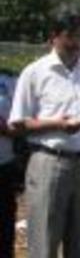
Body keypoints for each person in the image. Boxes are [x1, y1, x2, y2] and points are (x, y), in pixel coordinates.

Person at [9, 7, 80, 258]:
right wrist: (56, 125)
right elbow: (18, 123)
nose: (76, 42)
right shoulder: (35, 72)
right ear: (54, 37)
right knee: (44, 242)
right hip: (49, 162)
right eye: (70, 36)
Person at [0, 69, 18, 258]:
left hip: (4, 165)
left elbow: (20, 123)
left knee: (4, 232)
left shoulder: (9, 80)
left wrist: (6, 128)